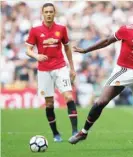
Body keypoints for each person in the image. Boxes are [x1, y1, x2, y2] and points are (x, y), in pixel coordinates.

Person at [69, 4, 133, 149]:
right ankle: (83, 132)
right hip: (124, 70)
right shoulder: (126, 30)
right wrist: (86, 50)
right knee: (101, 101)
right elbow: (107, 41)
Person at [25, 3, 78, 142]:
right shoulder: (35, 30)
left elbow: (67, 48)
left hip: (60, 68)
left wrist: (72, 68)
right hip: (44, 70)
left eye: (51, 12)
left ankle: (75, 131)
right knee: (49, 104)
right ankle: (55, 134)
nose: (49, 14)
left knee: (69, 97)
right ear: (42, 13)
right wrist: (37, 56)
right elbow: (28, 49)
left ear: (55, 13)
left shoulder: (61, 29)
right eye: (46, 12)